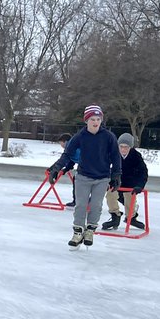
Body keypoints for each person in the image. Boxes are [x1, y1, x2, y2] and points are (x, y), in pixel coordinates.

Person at [47, 104, 121, 248]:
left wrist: (116, 175)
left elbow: (115, 156)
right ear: (86, 120)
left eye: (98, 119)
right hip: (83, 177)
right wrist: (56, 168)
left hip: (102, 177)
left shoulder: (108, 137)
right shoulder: (80, 136)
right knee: (81, 205)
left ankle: (90, 230)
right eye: (92, 119)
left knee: (96, 205)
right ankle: (78, 232)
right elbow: (67, 154)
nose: (95, 122)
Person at [102, 133, 148, 231]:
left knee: (130, 200)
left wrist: (140, 185)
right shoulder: (113, 154)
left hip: (131, 183)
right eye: (121, 146)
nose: (123, 149)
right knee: (110, 195)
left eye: (126, 147)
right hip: (116, 182)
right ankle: (115, 216)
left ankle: (131, 217)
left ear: (130, 147)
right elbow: (105, 168)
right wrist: (106, 181)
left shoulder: (136, 156)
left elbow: (143, 172)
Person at [53, 132, 79, 207]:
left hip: (88, 166)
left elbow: (65, 159)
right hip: (86, 165)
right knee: (77, 180)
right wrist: (65, 169)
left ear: (65, 141)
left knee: (78, 180)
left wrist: (55, 169)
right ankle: (78, 200)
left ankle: (78, 201)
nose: (61, 146)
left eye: (60, 143)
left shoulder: (70, 147)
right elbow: (71, 161)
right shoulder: (73, 146)